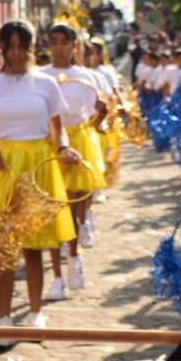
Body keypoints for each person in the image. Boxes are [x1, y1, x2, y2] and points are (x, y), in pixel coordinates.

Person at [0, 20, 77, 328]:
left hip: (37, 167)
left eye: (22, 47)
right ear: (2, 48)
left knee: (34, 246)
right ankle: (4, 316)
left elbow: (59, 131)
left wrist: (65, 150)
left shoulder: (46, 84)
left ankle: (35, 312)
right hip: (5, 168)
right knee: (4, 247)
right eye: (10, 47)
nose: (16, 54)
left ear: (32, 48)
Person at [45, 23, 105, 295]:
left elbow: (96, 113)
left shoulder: (84, 76)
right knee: (53, 208)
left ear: (73, 45)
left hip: (78, 140)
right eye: (54, 41)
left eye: (64, 42)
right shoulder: (41, 76)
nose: (59, 47)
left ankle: (73, 257)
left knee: (72, 205)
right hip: (49, 143)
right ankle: (57, 274)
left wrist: (100, 117)